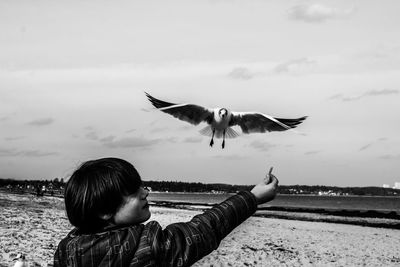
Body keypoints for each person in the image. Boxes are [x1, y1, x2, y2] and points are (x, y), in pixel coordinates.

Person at [54, 157, 279, 267]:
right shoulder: (147, 245)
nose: (145, 192)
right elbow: (203, 229)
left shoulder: (68, 250)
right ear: (104, 210)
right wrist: (253, 197)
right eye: (133, 191)